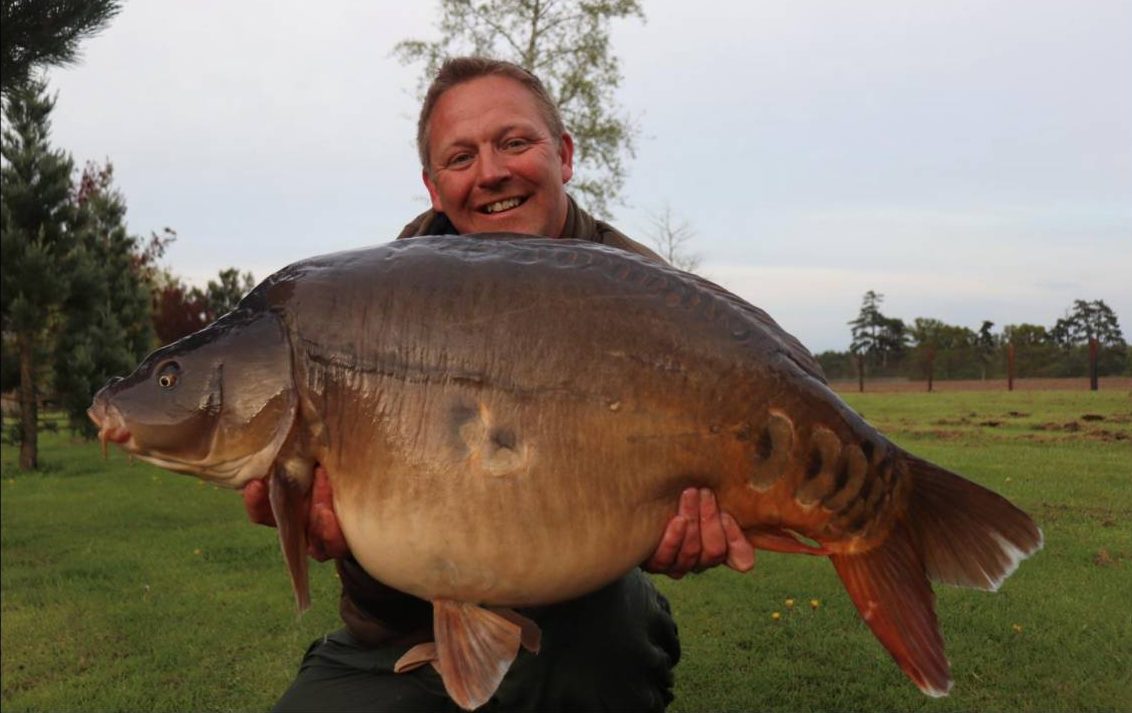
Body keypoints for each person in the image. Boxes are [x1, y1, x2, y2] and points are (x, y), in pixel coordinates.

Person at [243, 57, 754, 712]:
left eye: (514, 142)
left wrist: (685, 524)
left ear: (564, 155)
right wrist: (325, 525)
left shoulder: (641, 292)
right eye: (461, 157)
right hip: (401, 622)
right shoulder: (378, 298)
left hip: (578, 605)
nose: (490, 172)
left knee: (614, 625)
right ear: (433, 187)